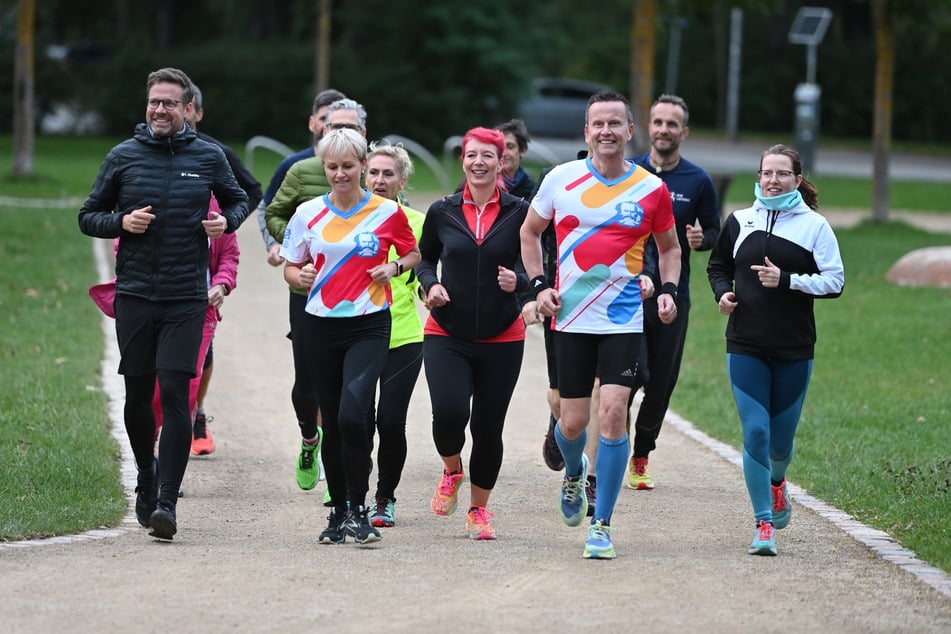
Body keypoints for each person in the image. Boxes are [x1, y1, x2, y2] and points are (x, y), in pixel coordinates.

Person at [78, 67, 250, 540]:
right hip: (135, 294)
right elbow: (88, 216)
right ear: (147, 105)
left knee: (177, 394)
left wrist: (225, 224)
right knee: (138, 396)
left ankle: (167, 503)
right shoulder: (123, 156)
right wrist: (121, 222)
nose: (160, 110)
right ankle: (147, 478)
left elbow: (239, 201)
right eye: (155, 102)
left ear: (186, 109)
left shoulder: (209, 156)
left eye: (169, 103)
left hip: (185, 298)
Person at [520, 90, 681, 559]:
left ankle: (602, 524)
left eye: (616, 123)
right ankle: (573, 473)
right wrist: (536, 286)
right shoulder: (560, 179)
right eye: (598, 124)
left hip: (623, 320)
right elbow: (530, 233)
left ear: (631, 131)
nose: (607, 131)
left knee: (612, 414)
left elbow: (670, 248)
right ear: (586, 132)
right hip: (569, 319)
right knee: (572, 424)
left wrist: (667, 289)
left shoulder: (651, 188)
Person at [280, 128, 420, 545]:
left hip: (369, 323)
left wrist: (394, 269)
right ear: (324, 168)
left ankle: (360, 509)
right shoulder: (307, 213)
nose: (340, 174)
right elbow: (290, 266)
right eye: (332, 166)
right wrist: (298, 275)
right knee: (334, 424)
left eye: (348, 166)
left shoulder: (386, 212)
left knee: (352, 416)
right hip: (320, 325)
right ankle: (337, 511)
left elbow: (413, 253)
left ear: (362, 165)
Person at [707, 143, 844, 556]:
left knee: (780, 445)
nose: (772, 180)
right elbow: (718, 267)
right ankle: (763, 523)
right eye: (767, 172)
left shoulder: (814, 227)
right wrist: (722, 294)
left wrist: (787, 279)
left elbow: (835, 282)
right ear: (759, 176)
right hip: (744, 343)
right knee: (756, 432)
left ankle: (778, 481)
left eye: (782, 174)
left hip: (794, 347)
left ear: (797, 180)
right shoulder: (740, 221)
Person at [416, 127, 529, 541]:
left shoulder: (521, 212)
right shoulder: (442, 210)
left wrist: (516, 281)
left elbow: (538, 267)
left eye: (488, 156)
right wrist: (431, 286)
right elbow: (424, 260)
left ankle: (479, 510)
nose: (478, 162)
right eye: (471, 155)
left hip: (503, 336)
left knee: (487, 427)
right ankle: (451, 470)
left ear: (502, 162)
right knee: (448, 414)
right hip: (447, 331)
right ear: (462, 160)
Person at [266, 97, 367, 496]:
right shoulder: (300, 171)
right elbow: (273, 213)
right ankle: (311, 439)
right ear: (320, 129)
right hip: (308, 292)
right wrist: (293, 249)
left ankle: (337, 470)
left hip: (359, 299)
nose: (339, 133)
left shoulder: (374, 172)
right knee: (308, 383)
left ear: (363, 134)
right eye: (331, 125)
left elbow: (397, 224)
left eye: (350, 128)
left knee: (348, 386)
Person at [626, 94, 721, 489]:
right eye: (658, 122)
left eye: (672, 124)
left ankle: (641, 455)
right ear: (649, 127)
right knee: (626, 376)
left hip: (672, 294)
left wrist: (702, 239)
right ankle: (609, 448)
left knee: (661, 381)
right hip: (628, 292)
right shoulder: (628, 173)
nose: (664, 129)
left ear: (684, 132)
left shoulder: (697, 181)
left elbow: (715, 231)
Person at [184, 83, 262, 456]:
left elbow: (251, 192)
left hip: (203, 272)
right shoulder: (143, 154)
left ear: (197, 113)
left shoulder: (215, 153)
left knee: (203, 352)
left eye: (185, 107)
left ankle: (196, 413)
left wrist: (227, 225)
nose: (176, 113)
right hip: (159, 272)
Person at [363, 143, 426, 528]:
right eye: (374, 173)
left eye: (388, 174)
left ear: (402, 180)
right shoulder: (348, 217)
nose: (380, 180)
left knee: (390, 421)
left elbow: (424, 273)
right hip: (356, 332)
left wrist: (428, 293)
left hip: (403, 334)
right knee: (355, 420)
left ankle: (384, 497)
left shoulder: (417, 222)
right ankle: (350, 488)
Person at [257, 88, 347, 268]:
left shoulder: (367, 167)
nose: (329, 126)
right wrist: (276, 243)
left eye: (336, 121)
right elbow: (266, 208)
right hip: (304, 274)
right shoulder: (293, 165)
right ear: (312, 123)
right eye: (324, 119)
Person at [495, 119, 536, 199]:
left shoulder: (533, 192)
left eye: (510, 146)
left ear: (522, 150)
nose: (503, 153)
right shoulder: (480, 185)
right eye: (500, 147)